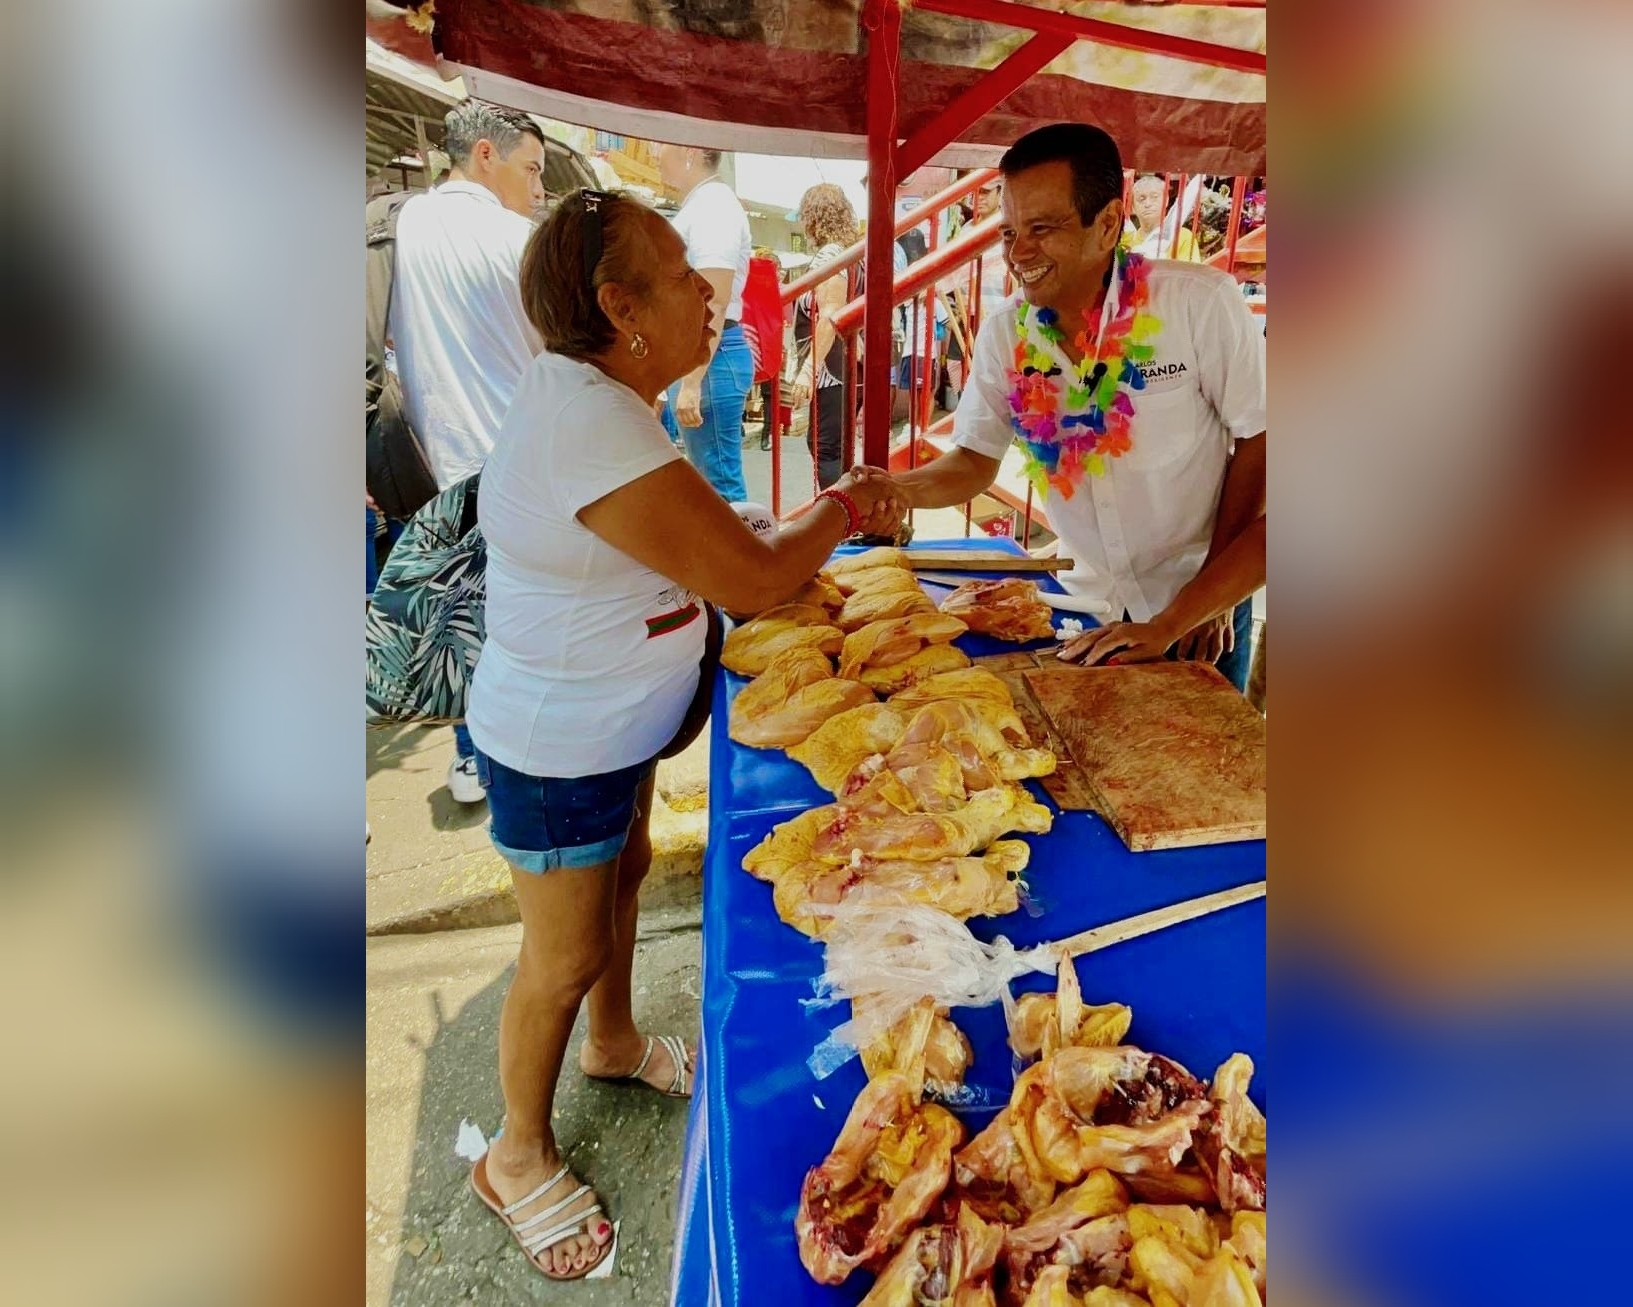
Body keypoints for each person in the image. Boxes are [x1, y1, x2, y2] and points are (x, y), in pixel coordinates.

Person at [463, 189, 902, 1281]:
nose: (709, 290)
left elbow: (674, 538)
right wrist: (846, 504)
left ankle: (611, 1044)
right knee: (558, 951)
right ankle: (514, 1152)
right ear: (620, 306)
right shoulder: (589, 418)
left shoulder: (606, 395)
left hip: (612, 722)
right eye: (677, 273)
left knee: (627, 874)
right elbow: (752, 580)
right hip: (561, 739)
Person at [864, 123, 1265, 692]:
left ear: (1107, 224)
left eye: (1042, 228)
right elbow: (976, 458)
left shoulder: (1199, 304)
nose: (1018, 252)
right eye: (1009, 232)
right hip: (1086, 607)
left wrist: (1205, 602)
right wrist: (896, 489)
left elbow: (1263, 441)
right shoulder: (1007, 332)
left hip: (1199, 606)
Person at [387, 100, 546, 803]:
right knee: (518, 619)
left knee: (459, 616)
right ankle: (514, 755)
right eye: (531, 167)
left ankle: (469, 757)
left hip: (427, 456)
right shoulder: (518, 239)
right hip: (516, 461)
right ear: (486, 154)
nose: (537, 186)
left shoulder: (400, 225)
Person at [655, 144, 754, 501]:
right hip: (708, 352)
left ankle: (745, 556)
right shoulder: (706, 204)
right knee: (715, 481)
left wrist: (693, 379)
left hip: (710, 352)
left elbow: (714, 294)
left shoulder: (713, 207)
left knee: (720, 487)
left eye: (660, 144)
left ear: (688, 150)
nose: (654, 153)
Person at [790, 184, 862, 488]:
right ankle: (843, 517)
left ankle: (837, 521)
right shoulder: (849, 254)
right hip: (842, 366)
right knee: (830, 448)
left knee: (826, 451)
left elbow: (830, 313)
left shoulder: (829, 255)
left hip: (831, 370)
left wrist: (808, 370)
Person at [1127, 173, 1202, 262]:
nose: (1148, 204)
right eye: (1141, 199)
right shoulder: (1126, 241)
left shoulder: (1183, 236)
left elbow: (1190, 273)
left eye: (1154, 197)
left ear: (1165, 201)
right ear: (1133, 207)